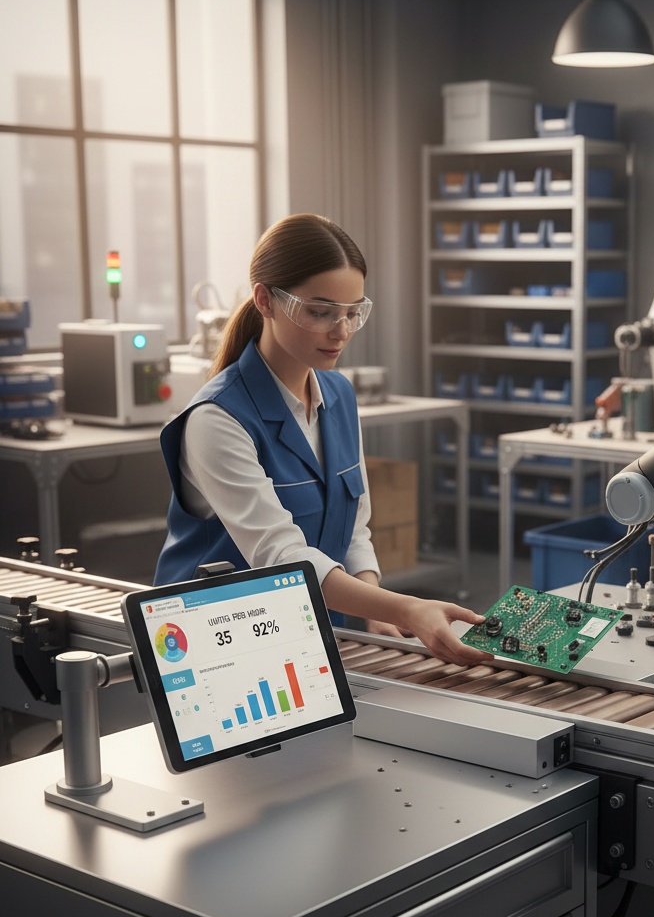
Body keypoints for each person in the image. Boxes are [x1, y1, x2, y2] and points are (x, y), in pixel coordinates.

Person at [154, 213, 491, 667]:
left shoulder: (338, 394)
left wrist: (374, 608)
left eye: (353, 313)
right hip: (213, 645)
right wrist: (406, 607)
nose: (341, 330)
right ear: (265, 301)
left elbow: (353, 526)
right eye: (320, 312)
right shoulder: (217, 419)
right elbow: (282, 558)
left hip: (305, 630)